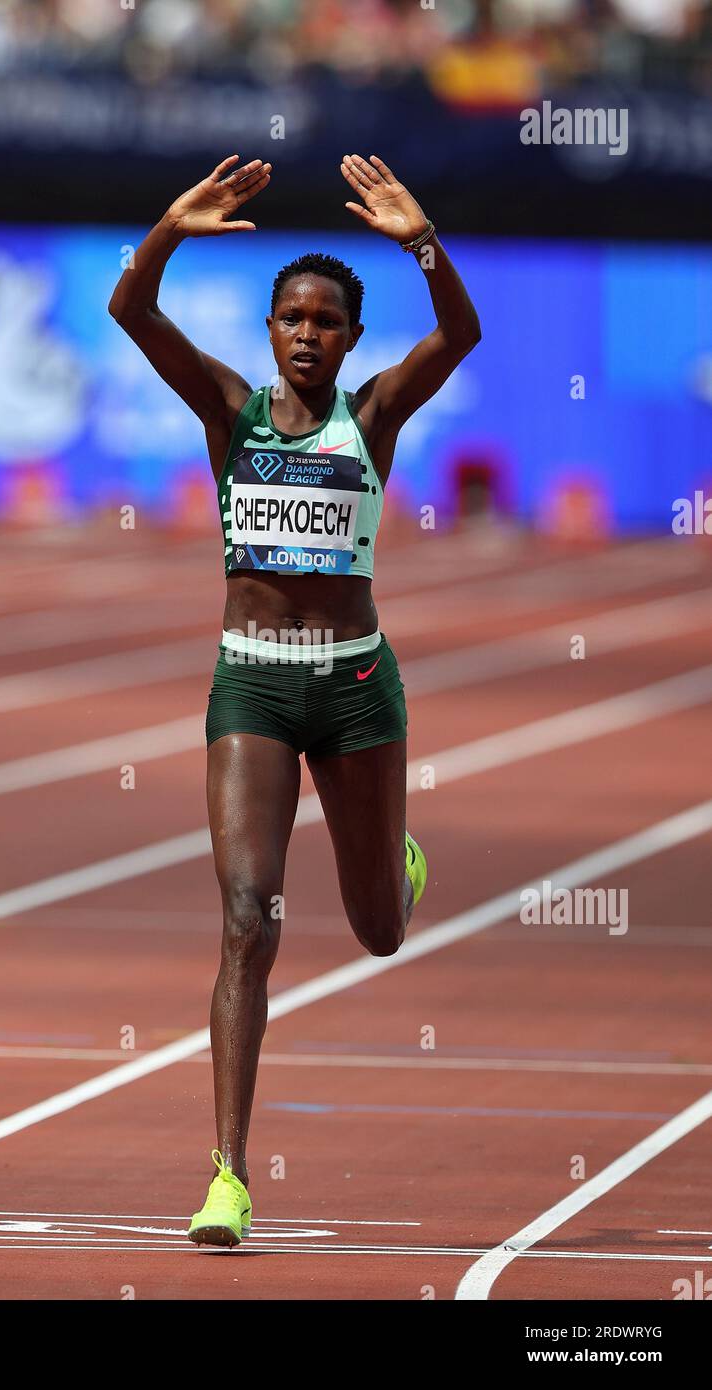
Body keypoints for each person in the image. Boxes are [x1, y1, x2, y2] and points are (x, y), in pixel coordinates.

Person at [108, 152, 481, 1247]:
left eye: (326, 321)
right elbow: (131, 309)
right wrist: (170, 228)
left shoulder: (370, 416)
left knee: (374, 933)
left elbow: (457, 337)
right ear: (268, 331)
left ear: (351, 340)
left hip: (358, 691)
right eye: (290, 319)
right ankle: (227, 1175)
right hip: (253, 688)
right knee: (244, 918)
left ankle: (391, 866)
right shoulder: (228, 411)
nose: (307, 335)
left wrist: (422, 244)